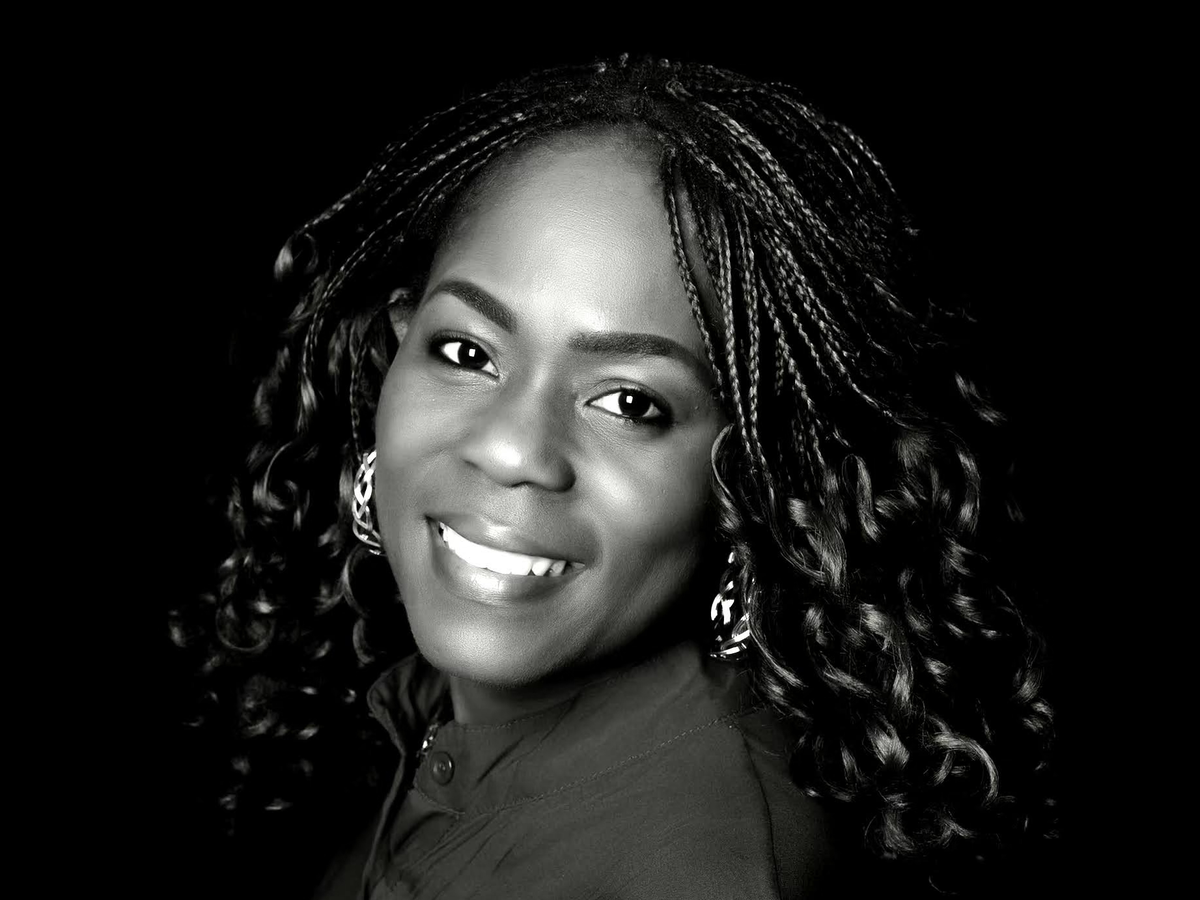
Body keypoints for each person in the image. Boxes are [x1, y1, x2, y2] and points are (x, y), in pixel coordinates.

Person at [169, 54, 1057, 899]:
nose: (513, 450)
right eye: (467, 352)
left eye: (631, 403)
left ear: (751, 481)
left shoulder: (694, 874)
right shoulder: (429, 725)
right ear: (392, 356)